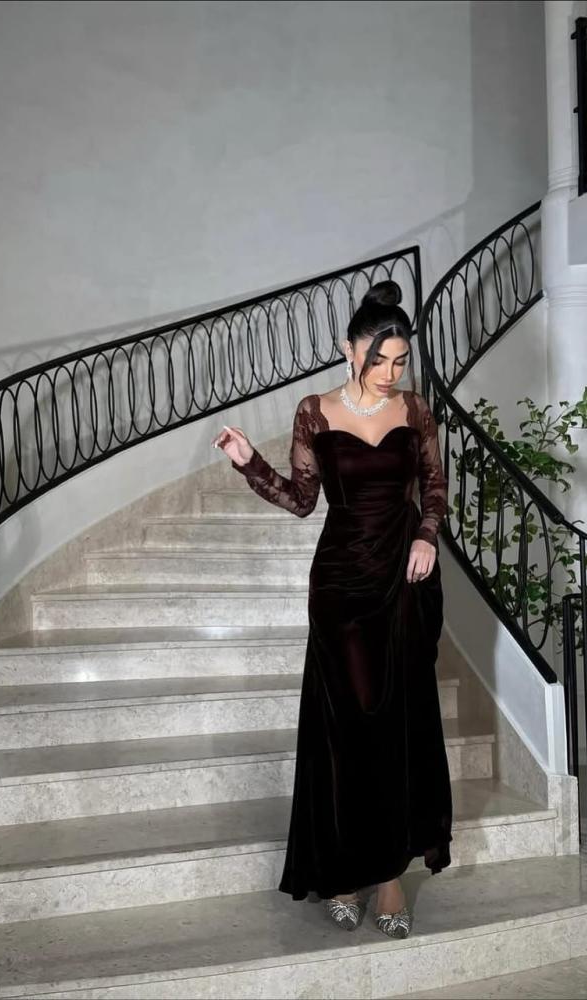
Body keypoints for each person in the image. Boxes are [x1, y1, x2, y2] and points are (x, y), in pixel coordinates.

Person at [211, 280, 453, 940]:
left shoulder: (415, 410)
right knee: (346, 725)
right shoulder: (314, 411)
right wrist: (248, 463)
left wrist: (427, 536)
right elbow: (301, 500)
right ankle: (344, 871)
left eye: (400, 361)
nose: (391, 373)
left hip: (402, 575)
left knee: (396, 723)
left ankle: (391, 875)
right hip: (341, 583)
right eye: (379, 360)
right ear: (348, 350)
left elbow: (434, 485)